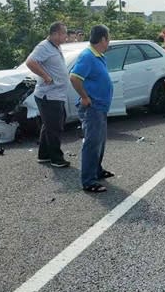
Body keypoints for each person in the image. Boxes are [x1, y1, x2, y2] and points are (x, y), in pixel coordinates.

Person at [69, 25, 114, 193]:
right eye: (108, 38)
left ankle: (97, 170)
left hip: (101, 107)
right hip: (92, 107)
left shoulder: (99, 56)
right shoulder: (87, 56)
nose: (108, 42)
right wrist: (85, 97)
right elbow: (74, 77)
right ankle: (88, 181)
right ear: (103, 39)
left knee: (100, 141)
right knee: (92, 143)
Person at [25, 22, 71, 167]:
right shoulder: (43, 47)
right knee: (54, 127)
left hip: (56, 94)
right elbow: (30, 62)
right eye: (64, 33)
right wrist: (46, 76)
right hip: (48, 95)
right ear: (56, 34)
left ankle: (44, 154)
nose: (66, 37)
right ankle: (56, 158)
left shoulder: (55, 46)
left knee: (51, 124)